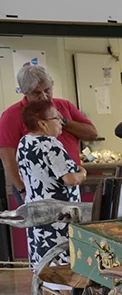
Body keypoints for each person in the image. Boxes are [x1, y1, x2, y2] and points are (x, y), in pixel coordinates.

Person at [0, 65, 96, 204]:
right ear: (24, 92)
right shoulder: (11, 115)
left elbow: (92, 133)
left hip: (69, 184)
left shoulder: (65, 106)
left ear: (52, 84)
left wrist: (63, 121)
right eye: (36, 93)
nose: (44, 97)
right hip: (36, 188)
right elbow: (7, 159)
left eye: (47, 90)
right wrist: (22, 189)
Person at [15, 101, 87, 266]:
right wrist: (82, 173)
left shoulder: (24, 142)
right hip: (57, 216)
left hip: (36, 213)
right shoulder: (50, 144)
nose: (61, 122)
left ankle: (48, 291)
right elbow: (70, 179)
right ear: (42, 123)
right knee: (62, 266)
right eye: (56, 118)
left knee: (44, 264)